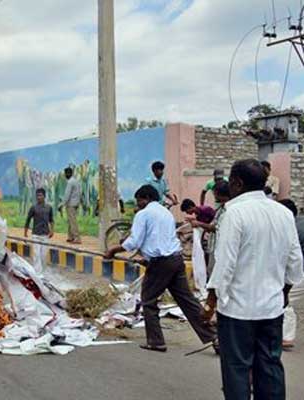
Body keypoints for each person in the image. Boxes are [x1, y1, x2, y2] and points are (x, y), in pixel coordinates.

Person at [203, 159, 303, 400]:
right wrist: (284, 292)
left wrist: (210, 304)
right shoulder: (283, 213)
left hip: (238, 311)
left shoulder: (233, 213)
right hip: (271, 309)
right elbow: (295, 262)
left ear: (237, 183)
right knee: (270, 368)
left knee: (237, 370)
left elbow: (224, 264)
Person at [105, 185, 216, 353]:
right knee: (187, 300)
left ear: (146, 198)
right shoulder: (166, 213)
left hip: (161, 263)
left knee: (148, 300)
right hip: (175, 260)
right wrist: (145, 258)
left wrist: (113, 250)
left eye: (139, 201)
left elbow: (134, 241)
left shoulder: (143, 214)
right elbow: (156, 240)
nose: (138, 204)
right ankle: (213, 336)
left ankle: (156, 341)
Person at [278, 199, 304, 349]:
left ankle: (286, 337)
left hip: (300, 272)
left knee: (286, 300)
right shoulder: (299, 222)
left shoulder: (288, 227)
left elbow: (293, 257)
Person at [24, 188, 54, 274]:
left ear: (44, 196)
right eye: (37, 195)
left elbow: (51, 220)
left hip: (45, 235)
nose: (38, 197)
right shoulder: (33, 208)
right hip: (36, 235)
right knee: (36, 255)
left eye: (40, 195)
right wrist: (25, 233)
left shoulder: (49, 208)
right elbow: (28, 220)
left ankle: (43, 273)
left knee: (43, 256)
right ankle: (37, 274)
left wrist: (52, 231)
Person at [58, 167, 82, 244]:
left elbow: (67, 195)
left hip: (71, 204)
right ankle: (70, 237)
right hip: (75, 203)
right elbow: (79, 193)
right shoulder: (76, 181)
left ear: (68, 174)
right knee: (70, 221)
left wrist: (61, 204)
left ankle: (77, 238)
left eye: (65, 174)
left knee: (72, 221)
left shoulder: (70, 182)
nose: (65, 175)